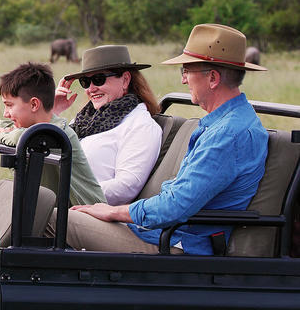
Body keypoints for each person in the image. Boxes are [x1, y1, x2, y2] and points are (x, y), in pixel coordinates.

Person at [50, 23, 269, 255]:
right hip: (161, 231)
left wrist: (113, 211)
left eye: (186, 71)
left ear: (213, 78)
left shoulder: (228, 135)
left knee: (46, 218)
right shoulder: (224, 122)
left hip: (176, 243)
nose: (184, 80)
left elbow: (174, 206)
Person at [0, 62, 106, 206]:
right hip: (50, 210)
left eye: (9, 105)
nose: (5, 113)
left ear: (34, 105)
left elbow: (18, 137)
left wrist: (1, 135)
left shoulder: (58, 132)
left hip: (87, 212)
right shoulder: (20, 126)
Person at [53, 45, 162, 205]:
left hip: (95, 214)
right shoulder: (85, 119)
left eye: (98, 79)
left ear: (125, 80)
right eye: (85, 82)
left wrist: (67, 191)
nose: (91, 88)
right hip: (65, 205)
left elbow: (126, 187)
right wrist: (54, 112)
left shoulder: (140, 125)